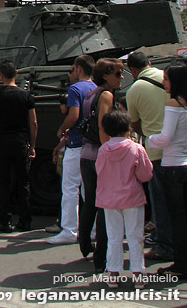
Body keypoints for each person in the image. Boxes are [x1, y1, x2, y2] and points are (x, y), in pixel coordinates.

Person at [96, 108, 153, 283]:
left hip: (109, 199)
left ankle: (113, 274)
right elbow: (146, 174)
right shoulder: (136, 148)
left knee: (113, 236)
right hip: (132, 197)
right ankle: (138, 275)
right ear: (128, 127)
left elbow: (99, 171)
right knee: (135, 236)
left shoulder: (103, 150)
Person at [126, 51, 173, 262]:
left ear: (132, 71)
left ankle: (164, 245)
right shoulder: (168, 78)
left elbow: (134, 124)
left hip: (155, 152)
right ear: (150, 63)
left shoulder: (134, 89)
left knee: (160, 201)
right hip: (180, 148)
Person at [78, 57, 124, 273]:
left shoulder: (90, 94)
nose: (121, 78)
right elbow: (104, 126)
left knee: (90, 202)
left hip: (87, 152)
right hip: (100, 153)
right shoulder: (105, 95)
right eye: (117, 73)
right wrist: (111, 153)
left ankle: (85, 243)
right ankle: (101, 256)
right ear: (105, 75)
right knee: (105, 205)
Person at [47, 55, 97, 245]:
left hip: (76, 144)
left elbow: (74, 114)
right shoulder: (95, 88)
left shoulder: (75, 89)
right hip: (91, 144)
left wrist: (61, 129)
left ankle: (69, 230)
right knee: (88, 189)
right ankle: (93, 230)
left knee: (69, 188)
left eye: (73, 69)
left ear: (79, 69)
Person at [0, 60, 37, 232]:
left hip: (2, 142)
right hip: (21, 140)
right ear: (16, 74)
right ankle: (25, 220)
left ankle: (5, 221)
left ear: (1, 76)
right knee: (23, 182)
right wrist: (33, 145)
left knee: (3, 182)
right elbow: (33, 122)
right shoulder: (26, 96)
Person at [148, 63, 187, 279]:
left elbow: (165, 137)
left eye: (166, 79)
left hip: (173, 167)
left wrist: (148, 139)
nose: (164, 83)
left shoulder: (174, 104)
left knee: (177, 220)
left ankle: (181, 263)